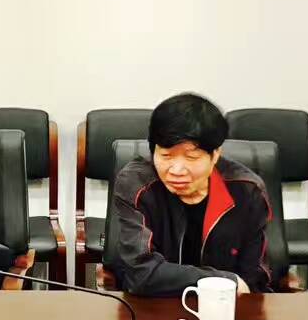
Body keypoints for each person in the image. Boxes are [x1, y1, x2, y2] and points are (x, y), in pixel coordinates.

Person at [104, 92, 273, 295]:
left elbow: (254, 279)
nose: (177, 170)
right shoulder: (136, 183)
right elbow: (141, 274)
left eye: (191, 157)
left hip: (224, 305)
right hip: (152, 305)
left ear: (215, 155)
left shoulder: (248, 190)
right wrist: (225, 281)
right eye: (166, 156)